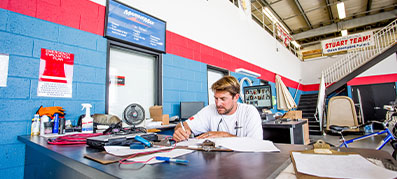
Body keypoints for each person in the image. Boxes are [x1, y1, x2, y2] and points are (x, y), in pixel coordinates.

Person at [173, 76, 263, 142]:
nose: (218, 103)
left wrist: (224, 135)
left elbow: (256, 144)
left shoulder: (249, 112)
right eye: (216, 98)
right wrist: (181, 130)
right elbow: (184, 125)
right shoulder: (210, 110)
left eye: (223, 99)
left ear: (236, 97)